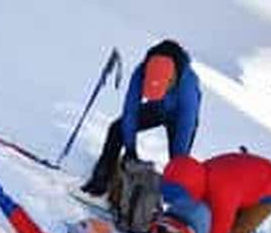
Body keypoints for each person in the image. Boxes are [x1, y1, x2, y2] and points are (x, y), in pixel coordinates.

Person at [80, 39, 201, 198]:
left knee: (179, 163)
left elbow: (185, 128)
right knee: (117, 129)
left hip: (181, 117)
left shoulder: (188, 87)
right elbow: (130, 109)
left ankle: (173, 203)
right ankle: (100, 181)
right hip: (158, 108)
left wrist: (176, 164)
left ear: (171, 81)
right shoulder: (142, 71)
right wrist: (130, 149)